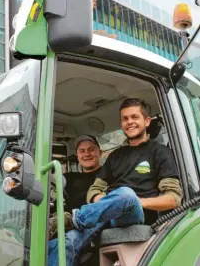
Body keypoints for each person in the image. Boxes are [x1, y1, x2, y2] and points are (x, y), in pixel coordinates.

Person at [48, 98, 183, 266]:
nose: (129, 122)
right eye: (125, 119)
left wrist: (134, 202)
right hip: (107, 214)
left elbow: (173, 199)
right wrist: (107, 203)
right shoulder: (115, 156)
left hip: (135, 215)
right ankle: (72, 222)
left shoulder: (160, 153)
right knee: (63, 243)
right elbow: (95, 190)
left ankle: (71, 218)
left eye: (134, 117)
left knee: (126, 194)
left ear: (147, 121)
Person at [49, 134, 102, 240]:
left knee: (69, 240)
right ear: (77, 155)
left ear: (100, 153)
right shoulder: (69, 178)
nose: (86, 154)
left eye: (91, 150)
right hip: (67, 224)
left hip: (93, 223)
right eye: (82, 151)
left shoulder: (107, 174)